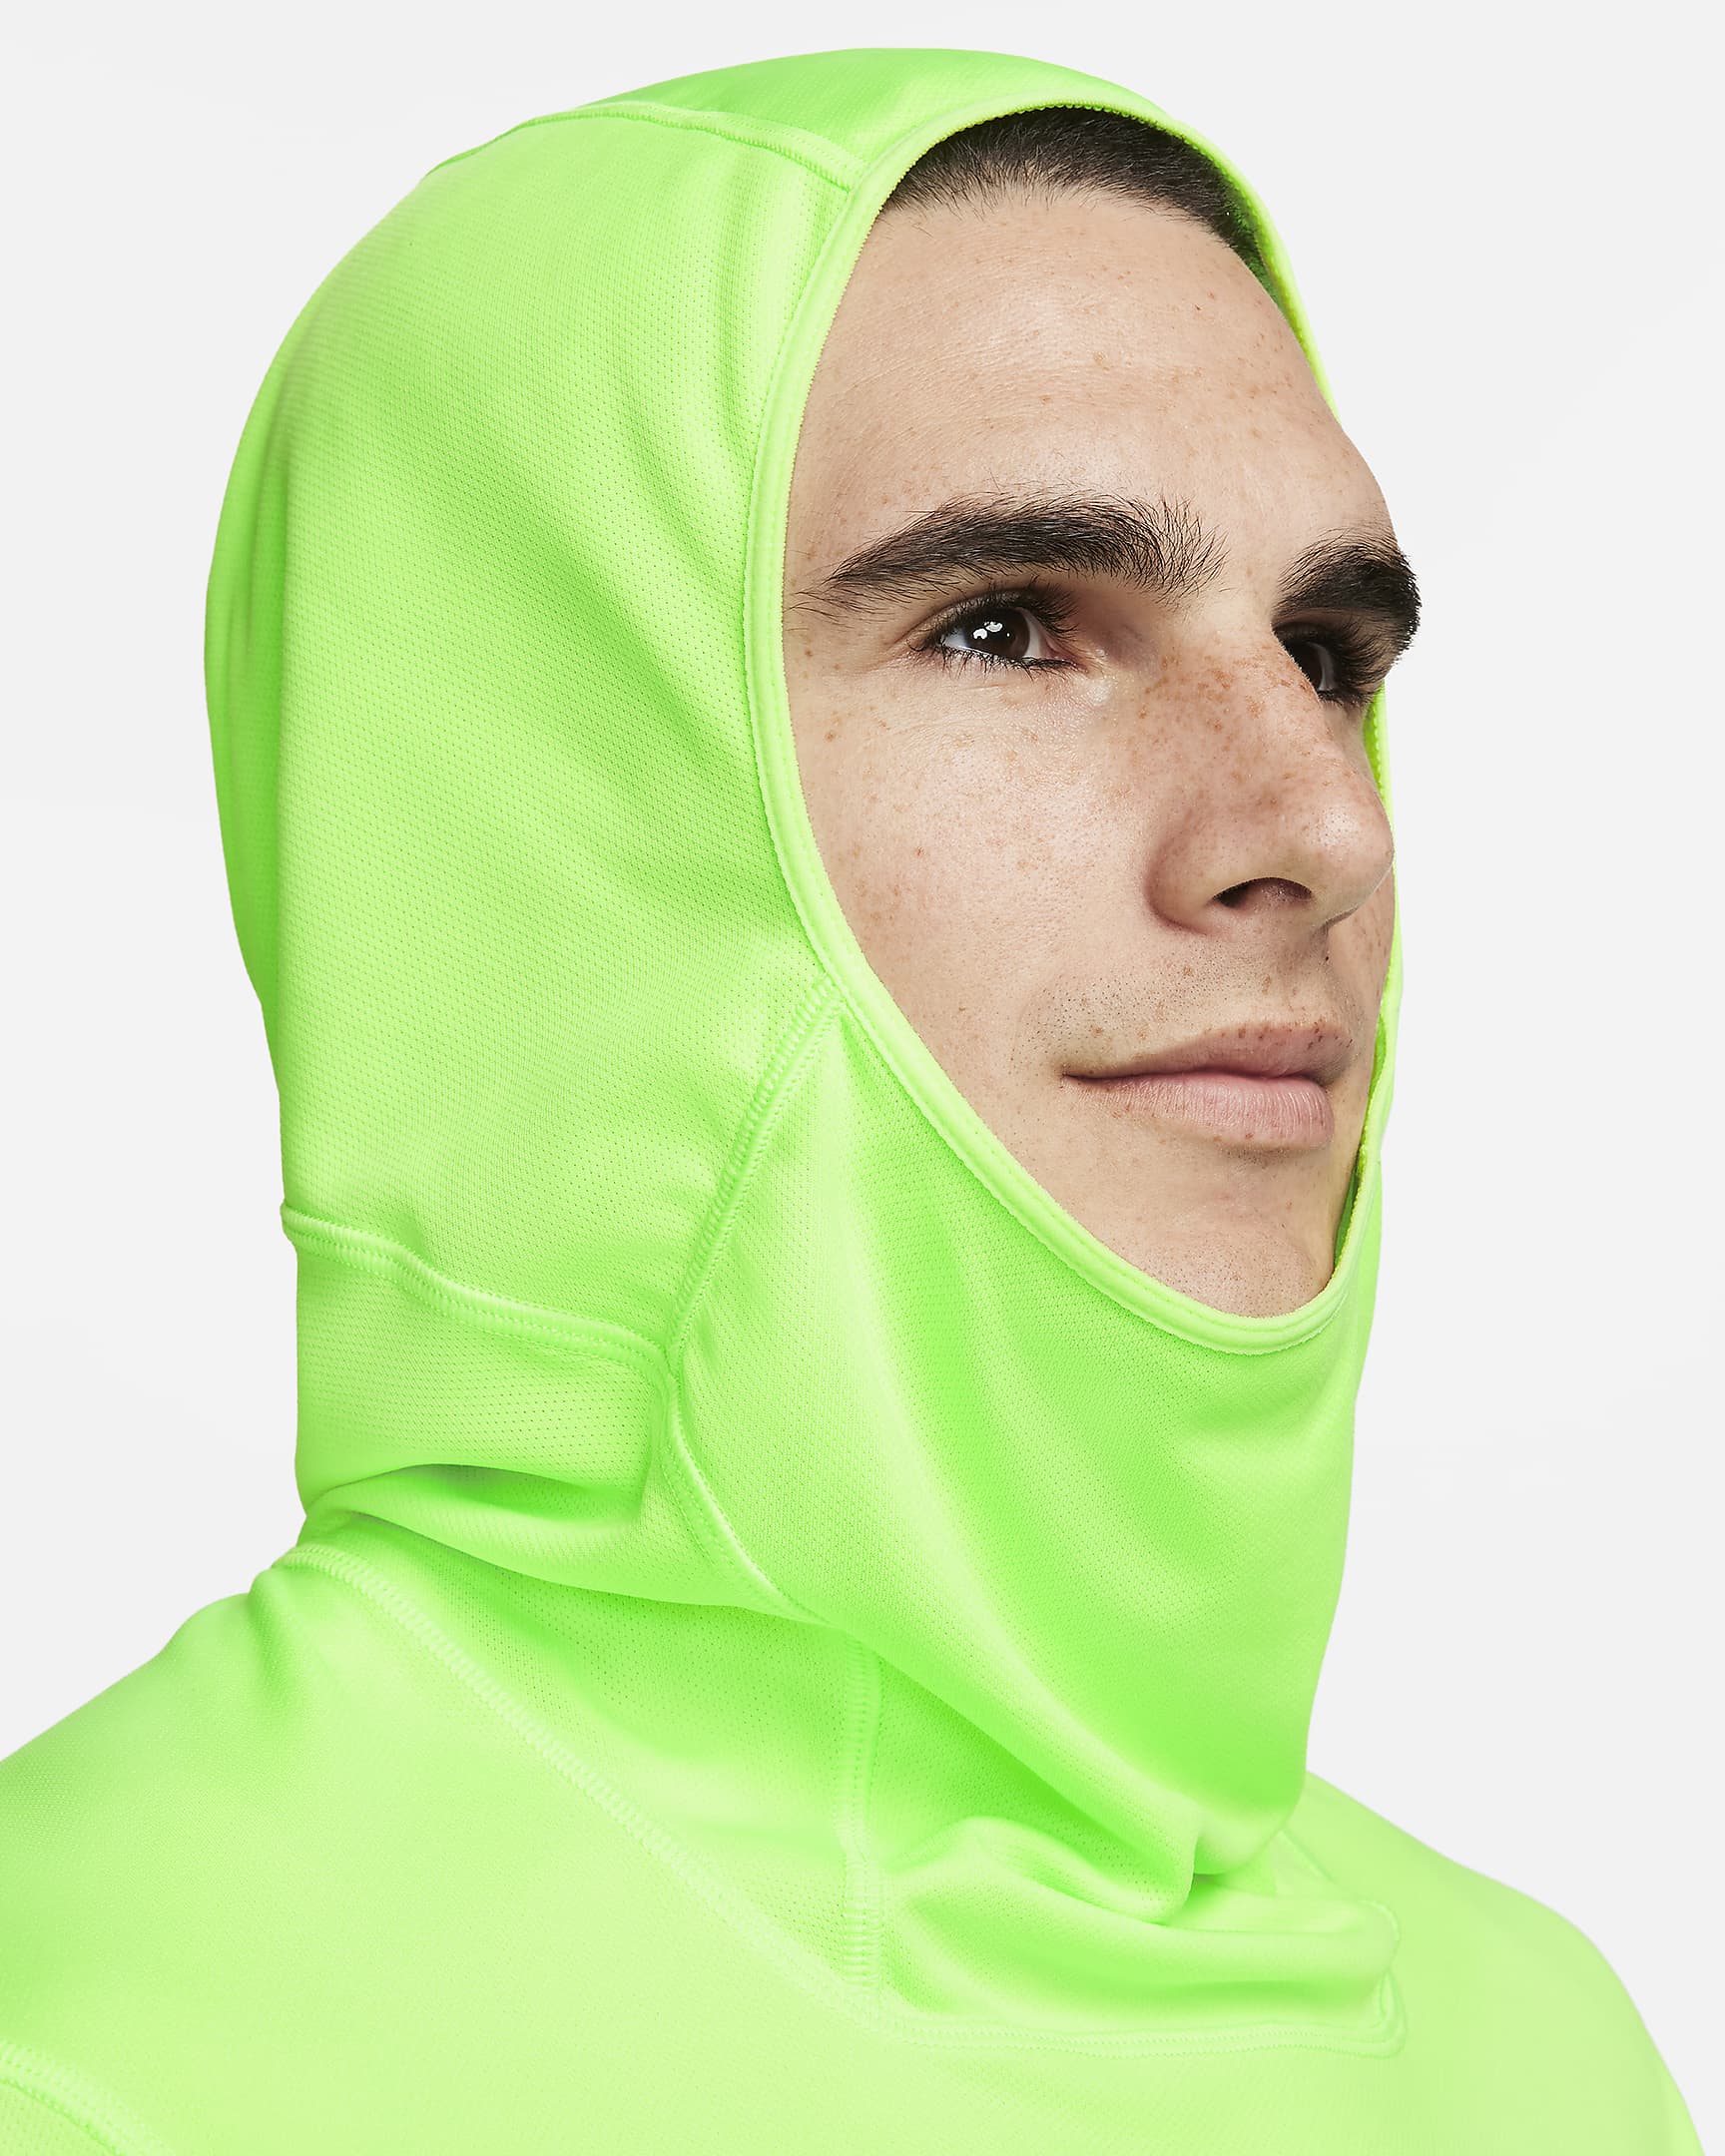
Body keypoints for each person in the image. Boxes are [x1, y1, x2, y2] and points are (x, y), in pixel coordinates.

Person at [0, 44, 1701, 2155]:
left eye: (1327, 652)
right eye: (1007, 628)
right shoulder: (98, 2056)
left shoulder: (1542, 2046)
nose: (1320, 831)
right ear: (549, 793)